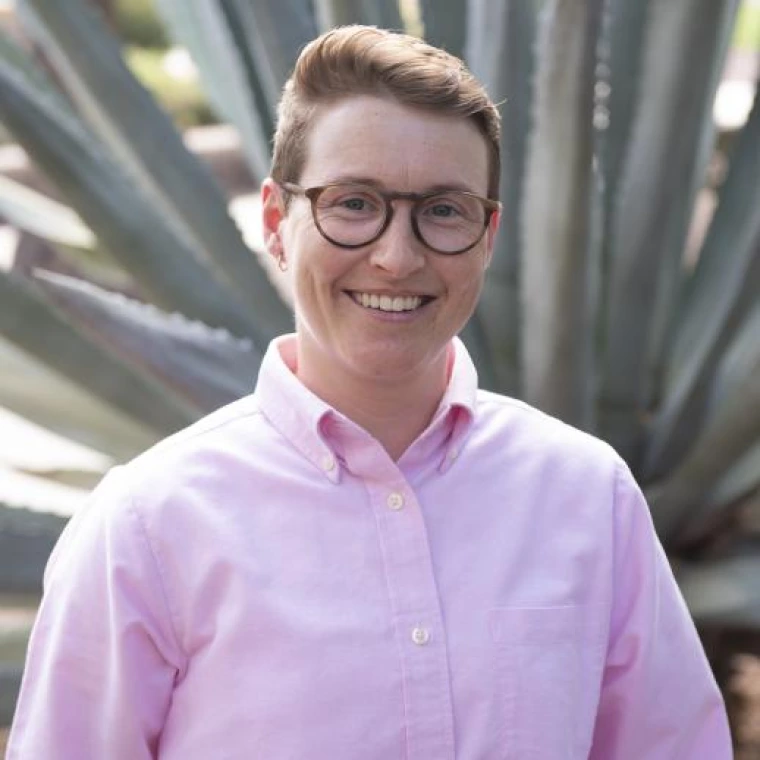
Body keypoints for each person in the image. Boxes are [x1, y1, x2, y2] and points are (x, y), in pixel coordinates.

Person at [8, 25, 731, 760]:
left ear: (488, 236)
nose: (396, 256)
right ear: (275, 224)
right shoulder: (145, 530)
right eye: (353, 203)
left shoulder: (588, 499)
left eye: (444, 210)